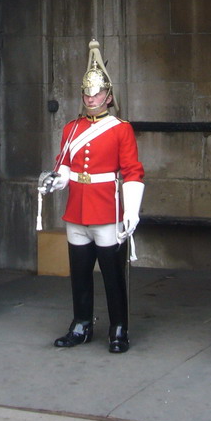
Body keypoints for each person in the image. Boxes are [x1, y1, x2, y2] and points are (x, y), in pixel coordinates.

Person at [38, 39, 144, 353]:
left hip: (106, 210)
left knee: (112, 275)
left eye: (96, 93)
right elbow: (67, 166)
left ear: (108, 96)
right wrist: (55, 182)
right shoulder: (71, 128)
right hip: (77, 210)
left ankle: (119, 328)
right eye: (87, 93)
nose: (91, 98)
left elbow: (132, 171)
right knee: (80, 274)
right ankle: (81, 324)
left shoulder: (120, 128)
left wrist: (131, 210)